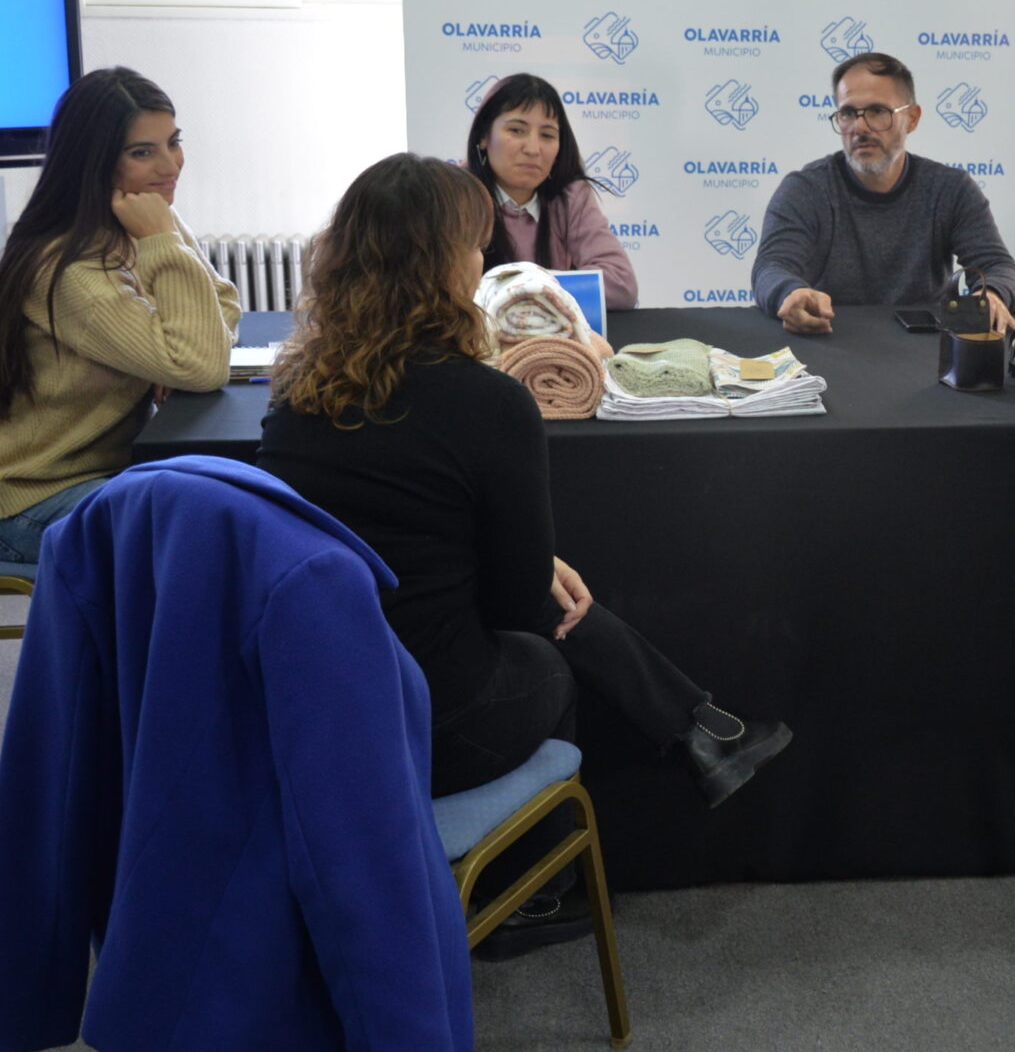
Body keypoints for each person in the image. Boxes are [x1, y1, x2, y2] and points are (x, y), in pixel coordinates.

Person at [256, 153, 789, 961]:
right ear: (443, 265)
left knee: (554, 608)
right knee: (549, 654)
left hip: (313, 709)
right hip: (430, 720)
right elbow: (514, 607)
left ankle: (701, 730)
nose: (482, 262)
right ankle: (527, 896)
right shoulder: (489, 400)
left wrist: (527, 563)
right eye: (474, 246)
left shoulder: (296, 391)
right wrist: (534, 562)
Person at [0, 67, 240, 564]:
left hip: (100, 474)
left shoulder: (145, 216)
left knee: (230, 506)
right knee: (211, 534)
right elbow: (202, 364)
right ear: (96, 161)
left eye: (173, 142)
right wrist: (174, 349)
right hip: (28, 499)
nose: (170, 165)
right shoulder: (69, 268)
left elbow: (223, 308)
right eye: (142, 152)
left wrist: (172, 352)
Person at [751, 51, 1015, 335]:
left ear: (912, 119)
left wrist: (992, 295)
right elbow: (771, 267)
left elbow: (997, 266)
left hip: (925, 344)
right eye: (848, 113)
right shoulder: (805, 189)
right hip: (830, 338)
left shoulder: (950, 189)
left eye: (877, 111)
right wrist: (790, 293)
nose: (860, 127)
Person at [466, 72, 638, 309]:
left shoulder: (570, 195)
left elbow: (621, 285)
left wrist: (521, 289)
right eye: (516, 130)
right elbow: (442, 287)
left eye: (547, 135)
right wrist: (548, 289)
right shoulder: (455, 192)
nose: (533, 149)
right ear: (484, 136)